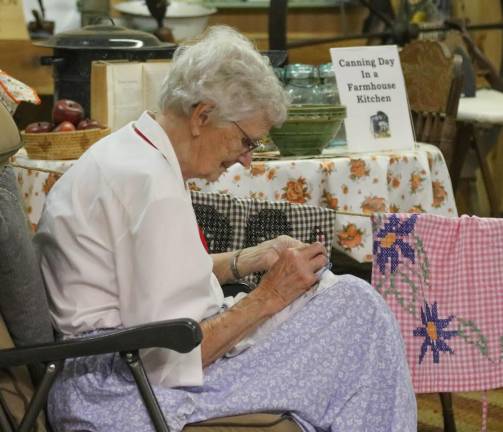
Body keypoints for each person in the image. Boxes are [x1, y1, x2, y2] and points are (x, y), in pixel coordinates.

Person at [35, 26, 417, 431]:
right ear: (202, 115)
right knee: (358, 314)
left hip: (110, 372)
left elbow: (152, 273)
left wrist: (249, 258)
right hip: (121, 390)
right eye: (247, 142)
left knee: (349, 312)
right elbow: (172, 355)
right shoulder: (148, 184)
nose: (247, 161)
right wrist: (270, 295)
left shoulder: (133, 153)